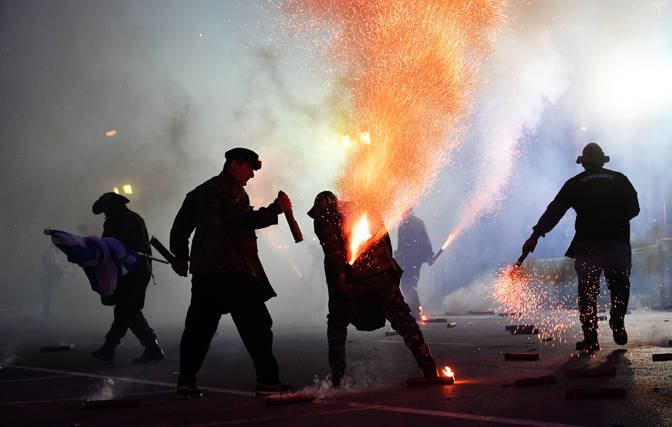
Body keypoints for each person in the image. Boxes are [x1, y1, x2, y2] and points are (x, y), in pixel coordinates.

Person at [170, 147, 292, 399]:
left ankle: (186, 383)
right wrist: (275, 209)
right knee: (258, 327)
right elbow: (241, 221)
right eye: (249, 168)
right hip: (235, 273)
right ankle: (268, 382)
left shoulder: (199, 192)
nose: (251, 175)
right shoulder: (233, 191)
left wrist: (181, 258)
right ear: (234, 165)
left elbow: (180, 228)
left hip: (206, 273)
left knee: (198, 331)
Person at [308, 191, 439, 387]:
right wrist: (391, 275)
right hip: (383, 274)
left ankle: (337, 377)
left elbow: (333, 249)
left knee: (337, 324)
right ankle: (428, 367)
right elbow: (384, 241)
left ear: (321, 205)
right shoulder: (364, 209)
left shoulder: (324, 215)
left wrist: (342, 276)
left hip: (353, 278)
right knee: (403, 319)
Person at [522, 143, 639, 353]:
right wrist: (614, 221)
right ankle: (617, 322)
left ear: (584, 163)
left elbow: (554, 212)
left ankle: (591, 338)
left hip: (588, 245)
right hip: (617, 242)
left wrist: (535, 236)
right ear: (602, 161)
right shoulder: (620, 179)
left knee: (587, 292)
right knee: (620, 286)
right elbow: (634, 209)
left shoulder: (574, 184)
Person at [90, 192, 164, 364]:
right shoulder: (132, 218)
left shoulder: (119, 221)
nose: (105, 213)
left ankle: (110, 348)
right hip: (133, 270)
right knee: (129, 310)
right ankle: (151, 348)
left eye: (106, 209)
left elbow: (111, 247)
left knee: (126, 310)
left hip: (133, 271)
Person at [394, 209, 434, 316]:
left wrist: (429, 255)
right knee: (409, 284)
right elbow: (425, 239)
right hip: (412, 259)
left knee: (407, 284)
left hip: (411, 260)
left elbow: (405, 244)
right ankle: (415, 309)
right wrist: (430, 255)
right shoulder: (416, 222)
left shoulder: (405, 224)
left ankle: (416, 310)